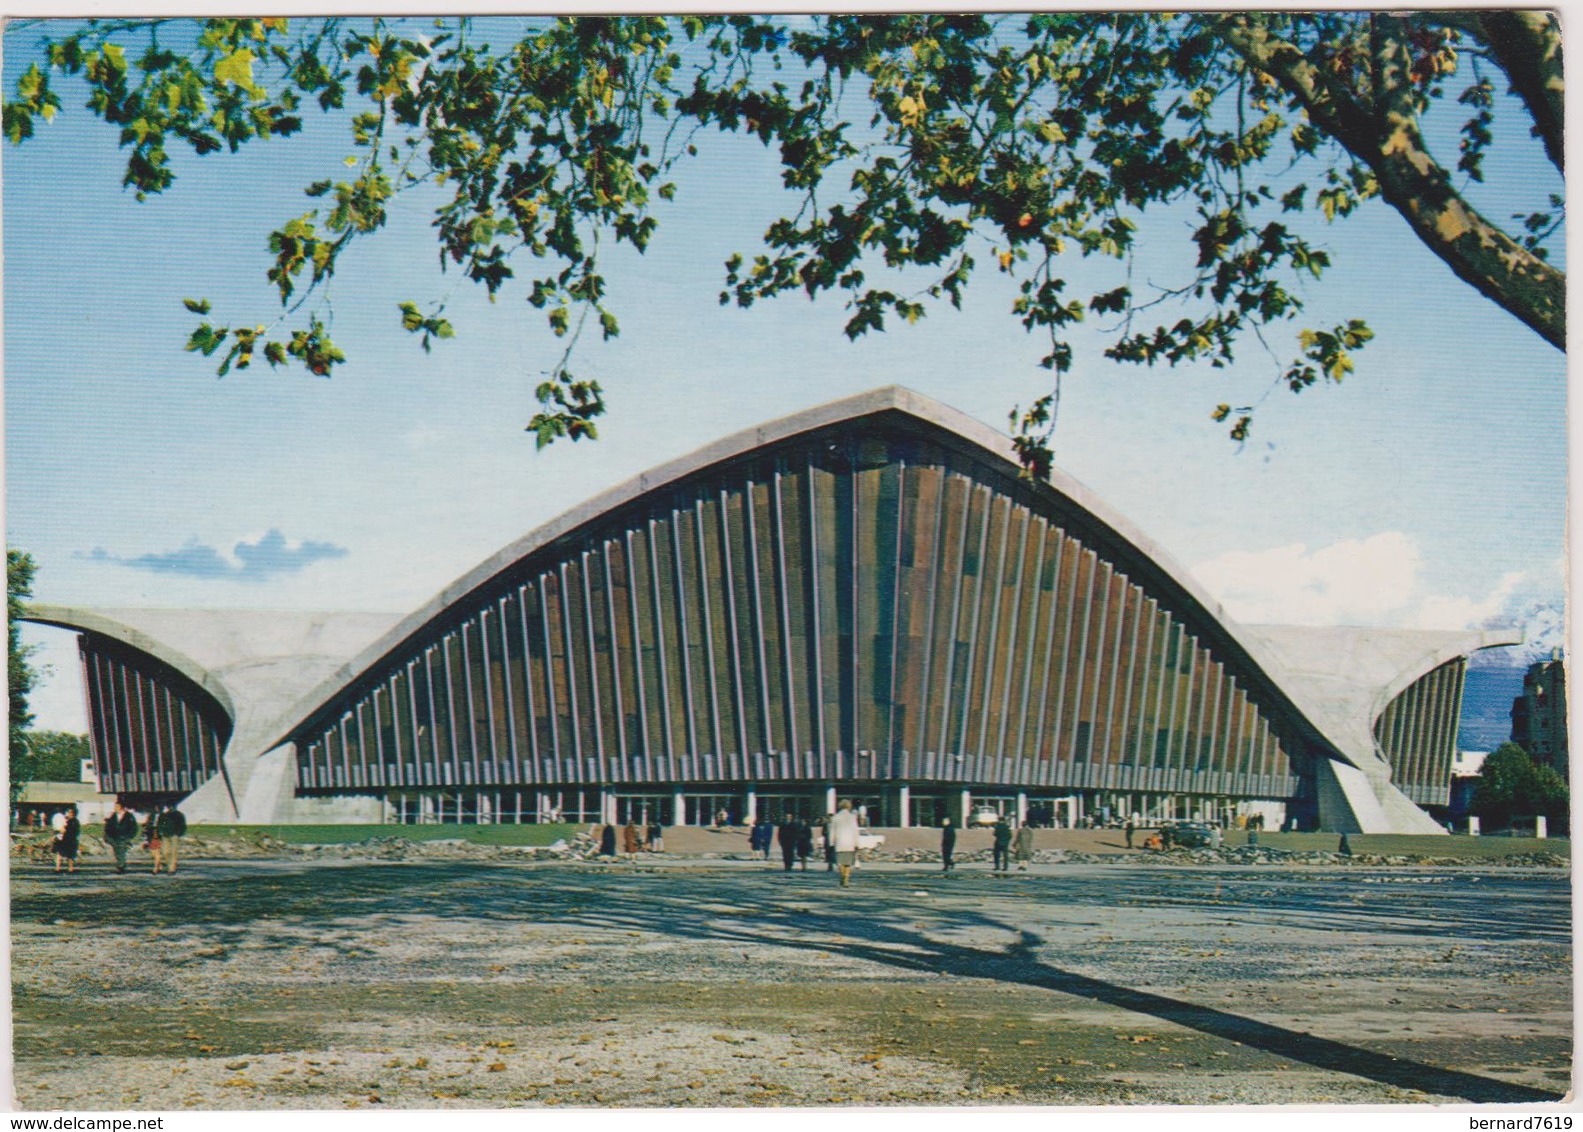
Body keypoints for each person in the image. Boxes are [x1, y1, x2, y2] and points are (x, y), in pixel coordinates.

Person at [828, 799, 861, 887]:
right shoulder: (852, 817)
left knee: (840, 862)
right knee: (848, 863)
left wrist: (831, 842)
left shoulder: (836, 817)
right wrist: (857, 843)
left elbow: (832, 831)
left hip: (839, 843)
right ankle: (846, 878)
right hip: (850, 843)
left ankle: (842, 875)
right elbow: (855, 831)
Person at [104, 801, 139, 874]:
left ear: (121, 807)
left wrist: (129, 836)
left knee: (121, 852)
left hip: (124, 837)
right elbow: (108, 826)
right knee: (117, 852)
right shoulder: (113, 815)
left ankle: (121, 867)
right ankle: (120, 866)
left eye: (116, 806)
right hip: (114, 837)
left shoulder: (129, 816)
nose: (115, 808)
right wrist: (108, 835)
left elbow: (134, 827)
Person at [155, 801, 187, 873]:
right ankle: (170, 865)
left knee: (173, 852)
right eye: (169, 806)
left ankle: (171, 868)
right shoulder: (164, 815)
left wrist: (178, 834)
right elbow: (159, 825)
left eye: (172, 806)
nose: (170, 807)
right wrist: (160, 833)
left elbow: (183, 825)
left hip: (174, 835)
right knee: (165, 852)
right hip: (165, 835)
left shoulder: (179, 815)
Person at [52, 806, 80, 874]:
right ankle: (66, 868)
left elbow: (64, 830)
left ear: (72, 813)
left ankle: (61, 868)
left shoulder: (71, 821)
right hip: (69, 839)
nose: (67, 813)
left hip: (67, 839)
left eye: (69, 812)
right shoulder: (73, 821)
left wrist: (57, 833)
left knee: (64, 854)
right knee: (66, 854)